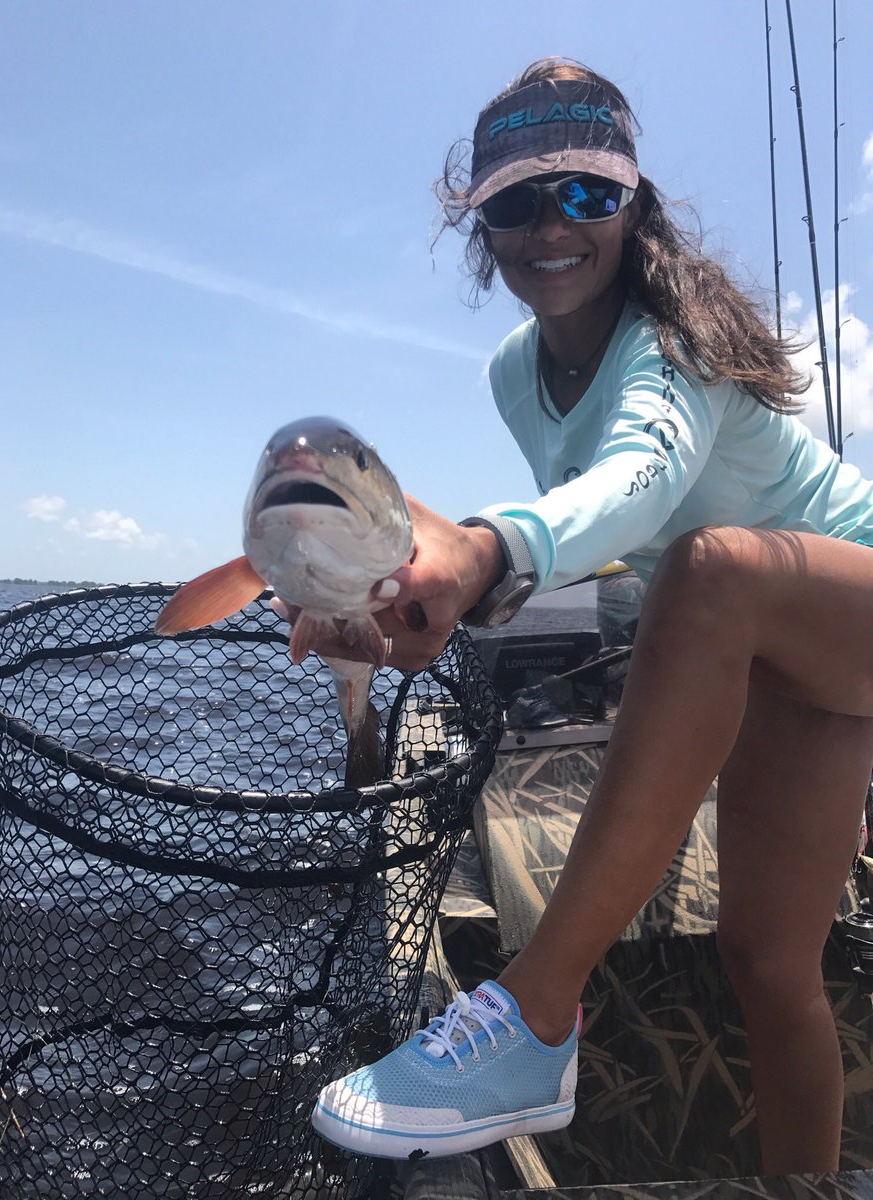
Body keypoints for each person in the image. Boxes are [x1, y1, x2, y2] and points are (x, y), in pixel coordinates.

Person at [311, 57, 873, 1174]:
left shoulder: (677, 344)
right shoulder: (515, 373)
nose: (550, 225)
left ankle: (536, 1017)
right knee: (769, 965)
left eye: (587, 193)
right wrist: (426, 588)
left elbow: (640, 482)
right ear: (481, 227)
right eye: (516, 201)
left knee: (705, 570)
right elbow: (583, 523)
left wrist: (486, 545)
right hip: (794, 665)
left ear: (632, 205)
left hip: (841, 594)